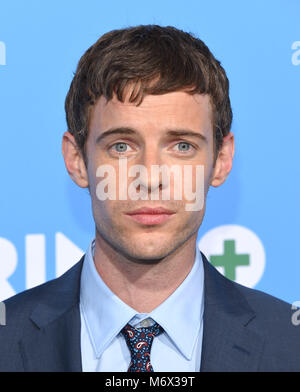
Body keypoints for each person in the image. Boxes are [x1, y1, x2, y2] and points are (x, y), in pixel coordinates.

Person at [1, 25, 299, 372]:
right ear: (77, 160)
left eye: (182, 146)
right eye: (122, 146)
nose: (150, 176)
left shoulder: (289, 348)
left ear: (221, 160)